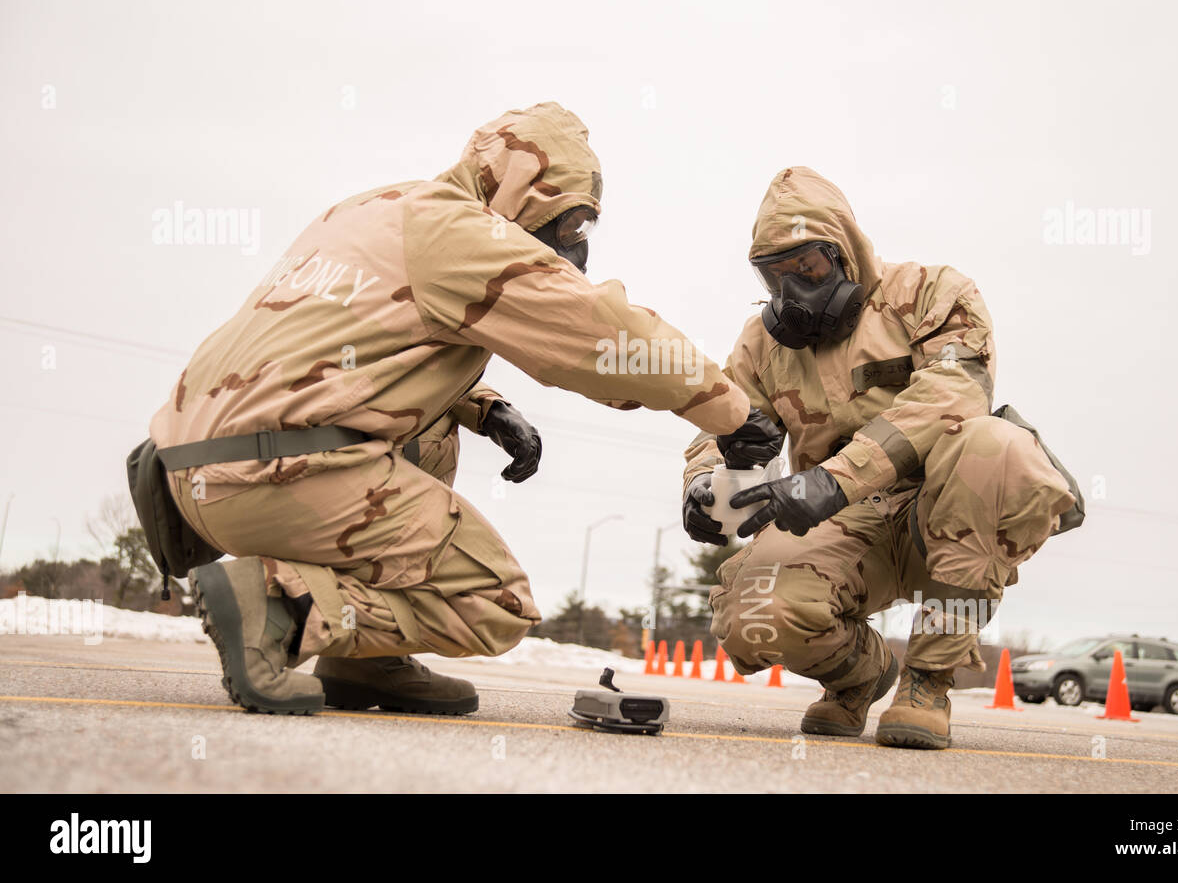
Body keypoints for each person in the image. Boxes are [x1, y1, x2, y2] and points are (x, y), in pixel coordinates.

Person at [149, 102, 749, 715]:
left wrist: (483, 406)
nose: (575, 249)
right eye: (569, 227)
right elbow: (606, 339)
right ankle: (281, 607)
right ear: (524, 197)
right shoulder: (469, 236)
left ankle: (365, 662)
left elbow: (352, 349)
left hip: (192, 468)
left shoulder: (373, 209)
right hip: (272, 474)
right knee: (496, 605)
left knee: (433, 430)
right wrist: (735, 410)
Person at [682, 166, 1082, 749]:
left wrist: (832, 480)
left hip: (942, 508)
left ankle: (927, 681)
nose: (791, 290)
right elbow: (722, 420)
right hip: (845, 523)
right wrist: (702, 483)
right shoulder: (760, 344)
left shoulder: (932, 293)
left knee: (996, 449)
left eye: (808, 268)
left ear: (843, 253)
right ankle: (861, 676)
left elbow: (953, 394)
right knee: (753, 615)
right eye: (775, 275)